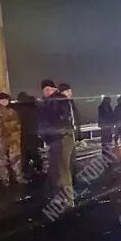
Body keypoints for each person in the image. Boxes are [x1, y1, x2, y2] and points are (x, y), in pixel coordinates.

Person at [39, 79, 76, 208]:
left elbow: (62, 118)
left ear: (55, 89)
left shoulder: (59, 100)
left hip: (62, 139)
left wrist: (56, 131)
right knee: (55, 170)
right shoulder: (47, 102)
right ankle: (58, 197)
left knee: (62, 169)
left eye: (49, 88)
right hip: (54, 139)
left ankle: (68, 199)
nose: (46, 91)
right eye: (44, 89)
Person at [0, 92, 27, 186]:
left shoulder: (12, 111)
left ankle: (18, 176)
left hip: (13, 139)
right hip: (0, 139)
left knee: (15, 158)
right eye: (2, 100)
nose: (4, 101)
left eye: (6, 99)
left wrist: (18, 137)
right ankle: (4, 178)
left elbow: (18, 125)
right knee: (1, 160)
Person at [13, 92, 44, 177]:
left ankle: (27, 172)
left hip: (22, 134)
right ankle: (39, 169)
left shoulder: (17, 108)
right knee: (34, 153)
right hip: (33, 133)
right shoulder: (33, 107)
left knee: (24, 154)